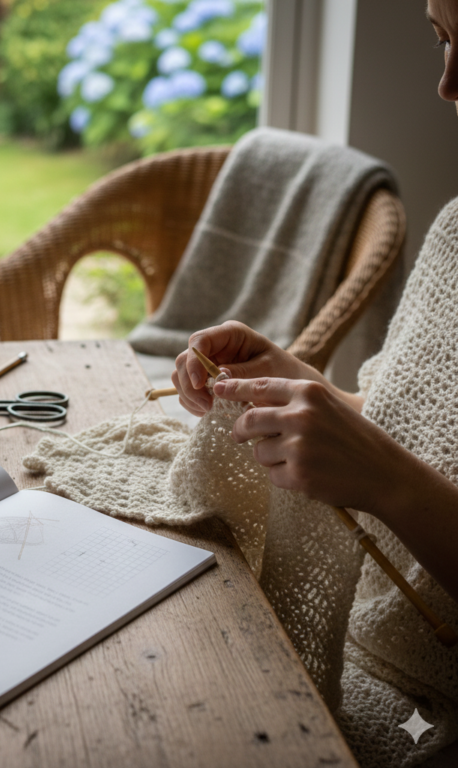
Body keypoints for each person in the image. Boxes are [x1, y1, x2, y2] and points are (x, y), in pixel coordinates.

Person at [171, 1, 458, 764]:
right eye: (442, 40)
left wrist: (386, 481)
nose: (448, 85)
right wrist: (299, 384)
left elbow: (404, 471)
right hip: (366, 640)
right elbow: (422, 425)